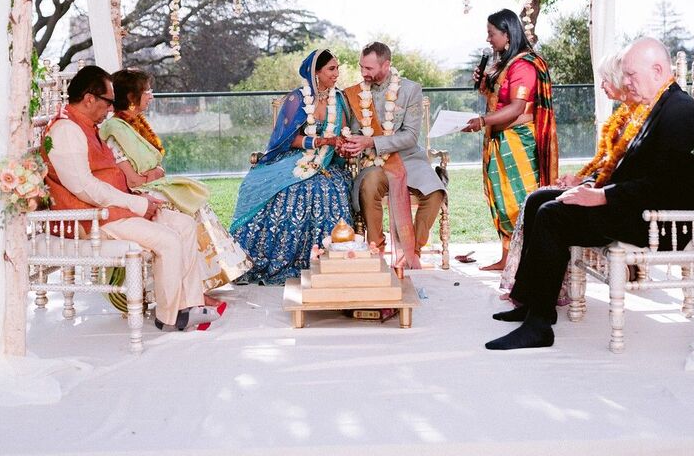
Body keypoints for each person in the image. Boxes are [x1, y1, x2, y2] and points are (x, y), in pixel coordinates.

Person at [486, 37, 694, 351]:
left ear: (659, 70)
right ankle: (532, 302)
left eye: (632, 75)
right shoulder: (658, 105)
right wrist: (593, 185)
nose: (627, 82)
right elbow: (634, 169)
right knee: (542, 199)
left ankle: (539, 326)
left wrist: (604, 196)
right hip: (638, 205)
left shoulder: (680, 112)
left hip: (661, 220)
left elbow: (668, 185)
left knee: (553, 214)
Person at [42, 66, 223, 333]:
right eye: (109, 101)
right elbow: (84, 188)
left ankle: (189, 305)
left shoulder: (88, 126)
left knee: (183, 225)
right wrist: (137, 204)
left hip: (113, 208)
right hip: (90, 218)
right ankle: (170, 317)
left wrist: (139, 198)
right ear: (89, 98)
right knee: (168, 240)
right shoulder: (66, 131)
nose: (112, 108)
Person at [499, 50, 646, 300]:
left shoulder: (641, 118)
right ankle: (527, 292)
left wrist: (586, 185)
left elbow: (625, 173)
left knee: (546, 206)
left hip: (614, 201)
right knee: (536, 198)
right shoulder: (622, 115)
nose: (602, 86)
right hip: (600, 187)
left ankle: (545, 294)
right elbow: (607, 164)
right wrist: (579, 180)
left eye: (605, 80)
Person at [100, 68, 251, 287]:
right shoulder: (114, 129)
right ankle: (192, 285)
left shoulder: (131, 124)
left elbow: (152, 167)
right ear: (132, 98)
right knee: (190, 209)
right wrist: (155, 173)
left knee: (196, 202)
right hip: (136, 194)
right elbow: (133, 180)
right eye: (146, 91)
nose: (151, 95)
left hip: (151, 185)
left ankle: (206, 280)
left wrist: (155, 172)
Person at [230, 49, 352, 284]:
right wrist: (319, 141)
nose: (337, 74)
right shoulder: (298, 98)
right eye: (331, 69)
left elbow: (343, 133)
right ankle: (269, 259)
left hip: (327, 162)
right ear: (315, 73)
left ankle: (327, 261)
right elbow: (288, 140)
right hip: (293, 157)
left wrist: (341, 145)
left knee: (328, 189)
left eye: (337, 68)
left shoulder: (339, 100)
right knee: (280, 188)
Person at [462, 9, 558, 271]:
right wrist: (485, 85)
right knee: (501, 198)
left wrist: (483, 121)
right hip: (499, 138)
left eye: (492, 33)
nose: (488, 39)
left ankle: (525, 260)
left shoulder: (524, 65)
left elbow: (516, 108)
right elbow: (498, 102)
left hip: (517, 141)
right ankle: (507, 258)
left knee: (518, 200)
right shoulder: (505, 63)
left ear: (507, 33)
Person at [342, 41, 446, 267]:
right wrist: (355, 142)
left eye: (368, 68)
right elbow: (355, 133)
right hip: (373, 161)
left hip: (408, 158)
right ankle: (375, 250)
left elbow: (410, 136)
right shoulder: (354, 94)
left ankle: (412, 252)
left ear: (386, 65)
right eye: (361, 67)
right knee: (369, 185)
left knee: (436, 193)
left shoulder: (410, 90)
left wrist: (372, 140)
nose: (363, 73)